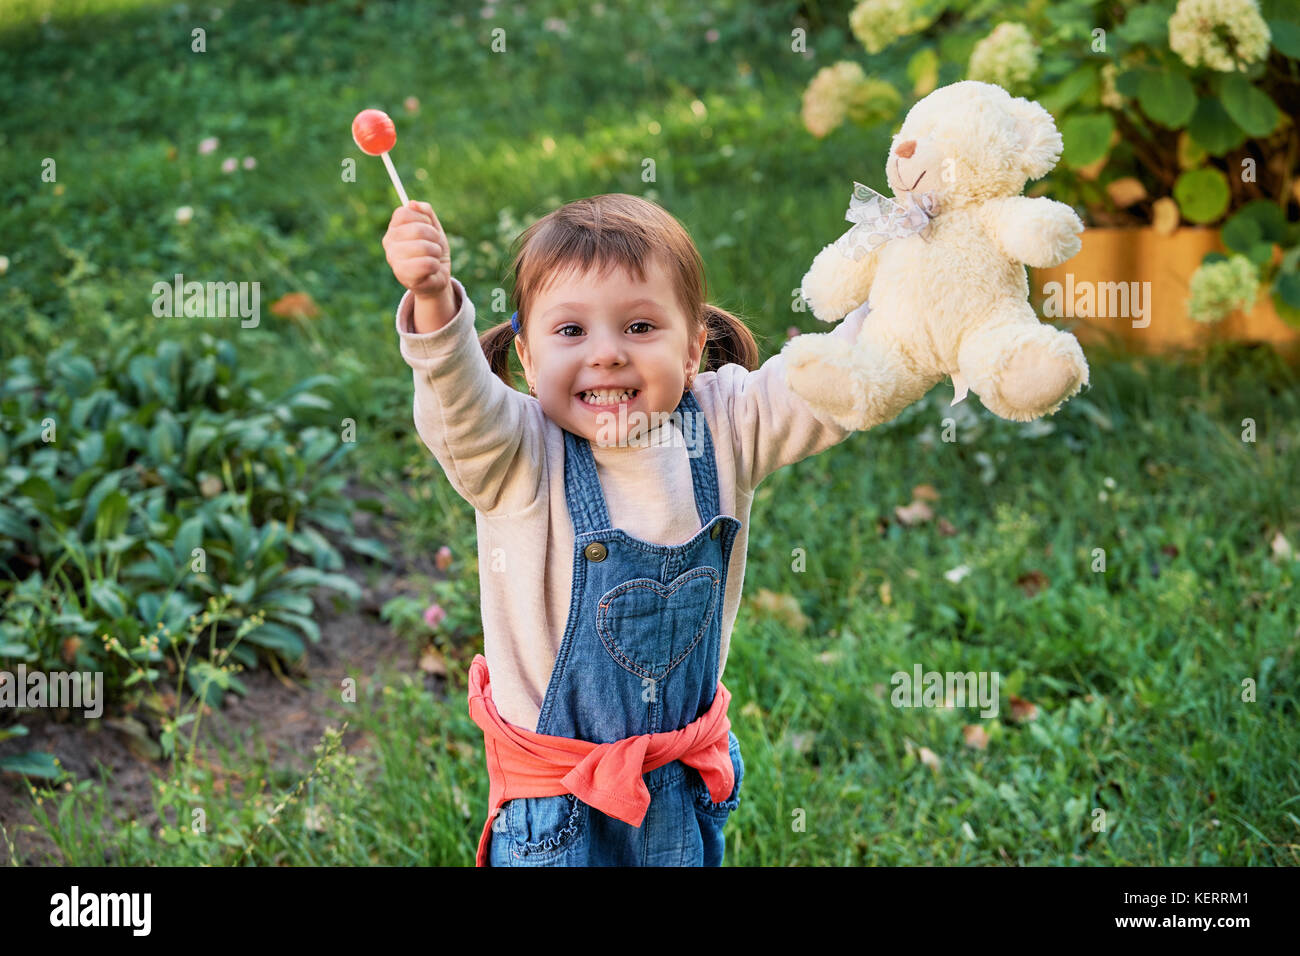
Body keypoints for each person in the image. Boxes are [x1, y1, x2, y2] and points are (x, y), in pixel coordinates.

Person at [383, 193, 880, 866]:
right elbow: (457, 406)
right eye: (571, 332)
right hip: (558, 813)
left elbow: (832, 381)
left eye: (641, 327)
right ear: (527, 358)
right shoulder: (515, 454)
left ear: (693, 350)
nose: (608, 354)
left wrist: (916, 299)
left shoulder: (728, 425)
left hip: (679, 789)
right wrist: (436, 302)